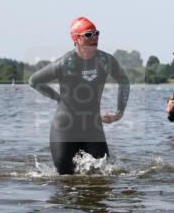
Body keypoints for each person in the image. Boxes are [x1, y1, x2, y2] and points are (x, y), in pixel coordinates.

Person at [28, 17, 130, 174]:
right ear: (76, 38)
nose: (94, 37)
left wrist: (119, 113)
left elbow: (124, 81)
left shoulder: (105, 60)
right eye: (88, 34)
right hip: (65, 128)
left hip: (93, 127)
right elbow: (34, 81)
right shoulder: (65, 62)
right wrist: (58, 98)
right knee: (64, 180)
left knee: (103, 175)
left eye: (96, 33)